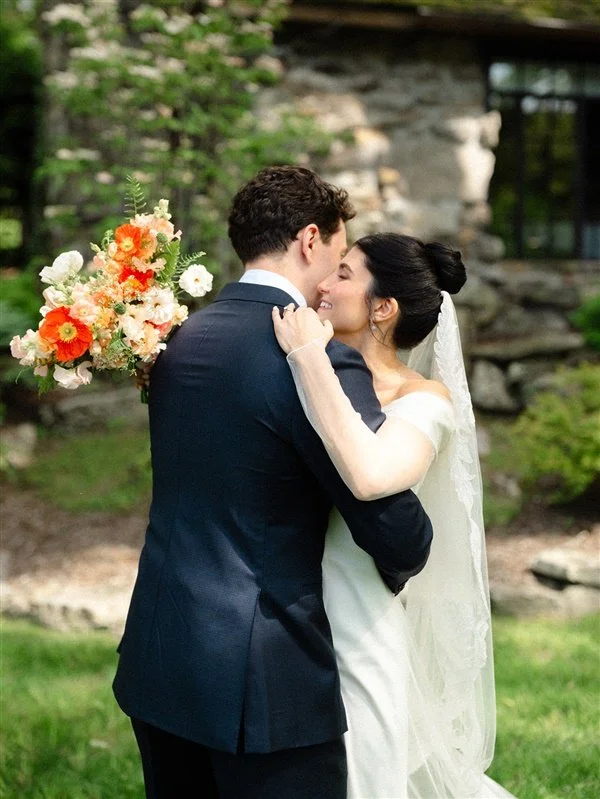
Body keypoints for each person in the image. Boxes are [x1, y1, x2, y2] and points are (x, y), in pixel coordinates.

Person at [113, 167, 433, 799]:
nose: (337, 276)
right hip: (261, 676)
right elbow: (395, 530)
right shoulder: (315, 356)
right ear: (310, 240)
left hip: (159, 653)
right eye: (340, 256)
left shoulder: (179, 340)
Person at [272, 232, 517, 798]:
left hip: (359, 607)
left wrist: (309, 359)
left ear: (383, 308)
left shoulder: (425, 399)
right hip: (283, 596)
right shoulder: (296, 362)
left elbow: (372, 476)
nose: (324, 283)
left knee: (366, 769)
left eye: (345, 275)